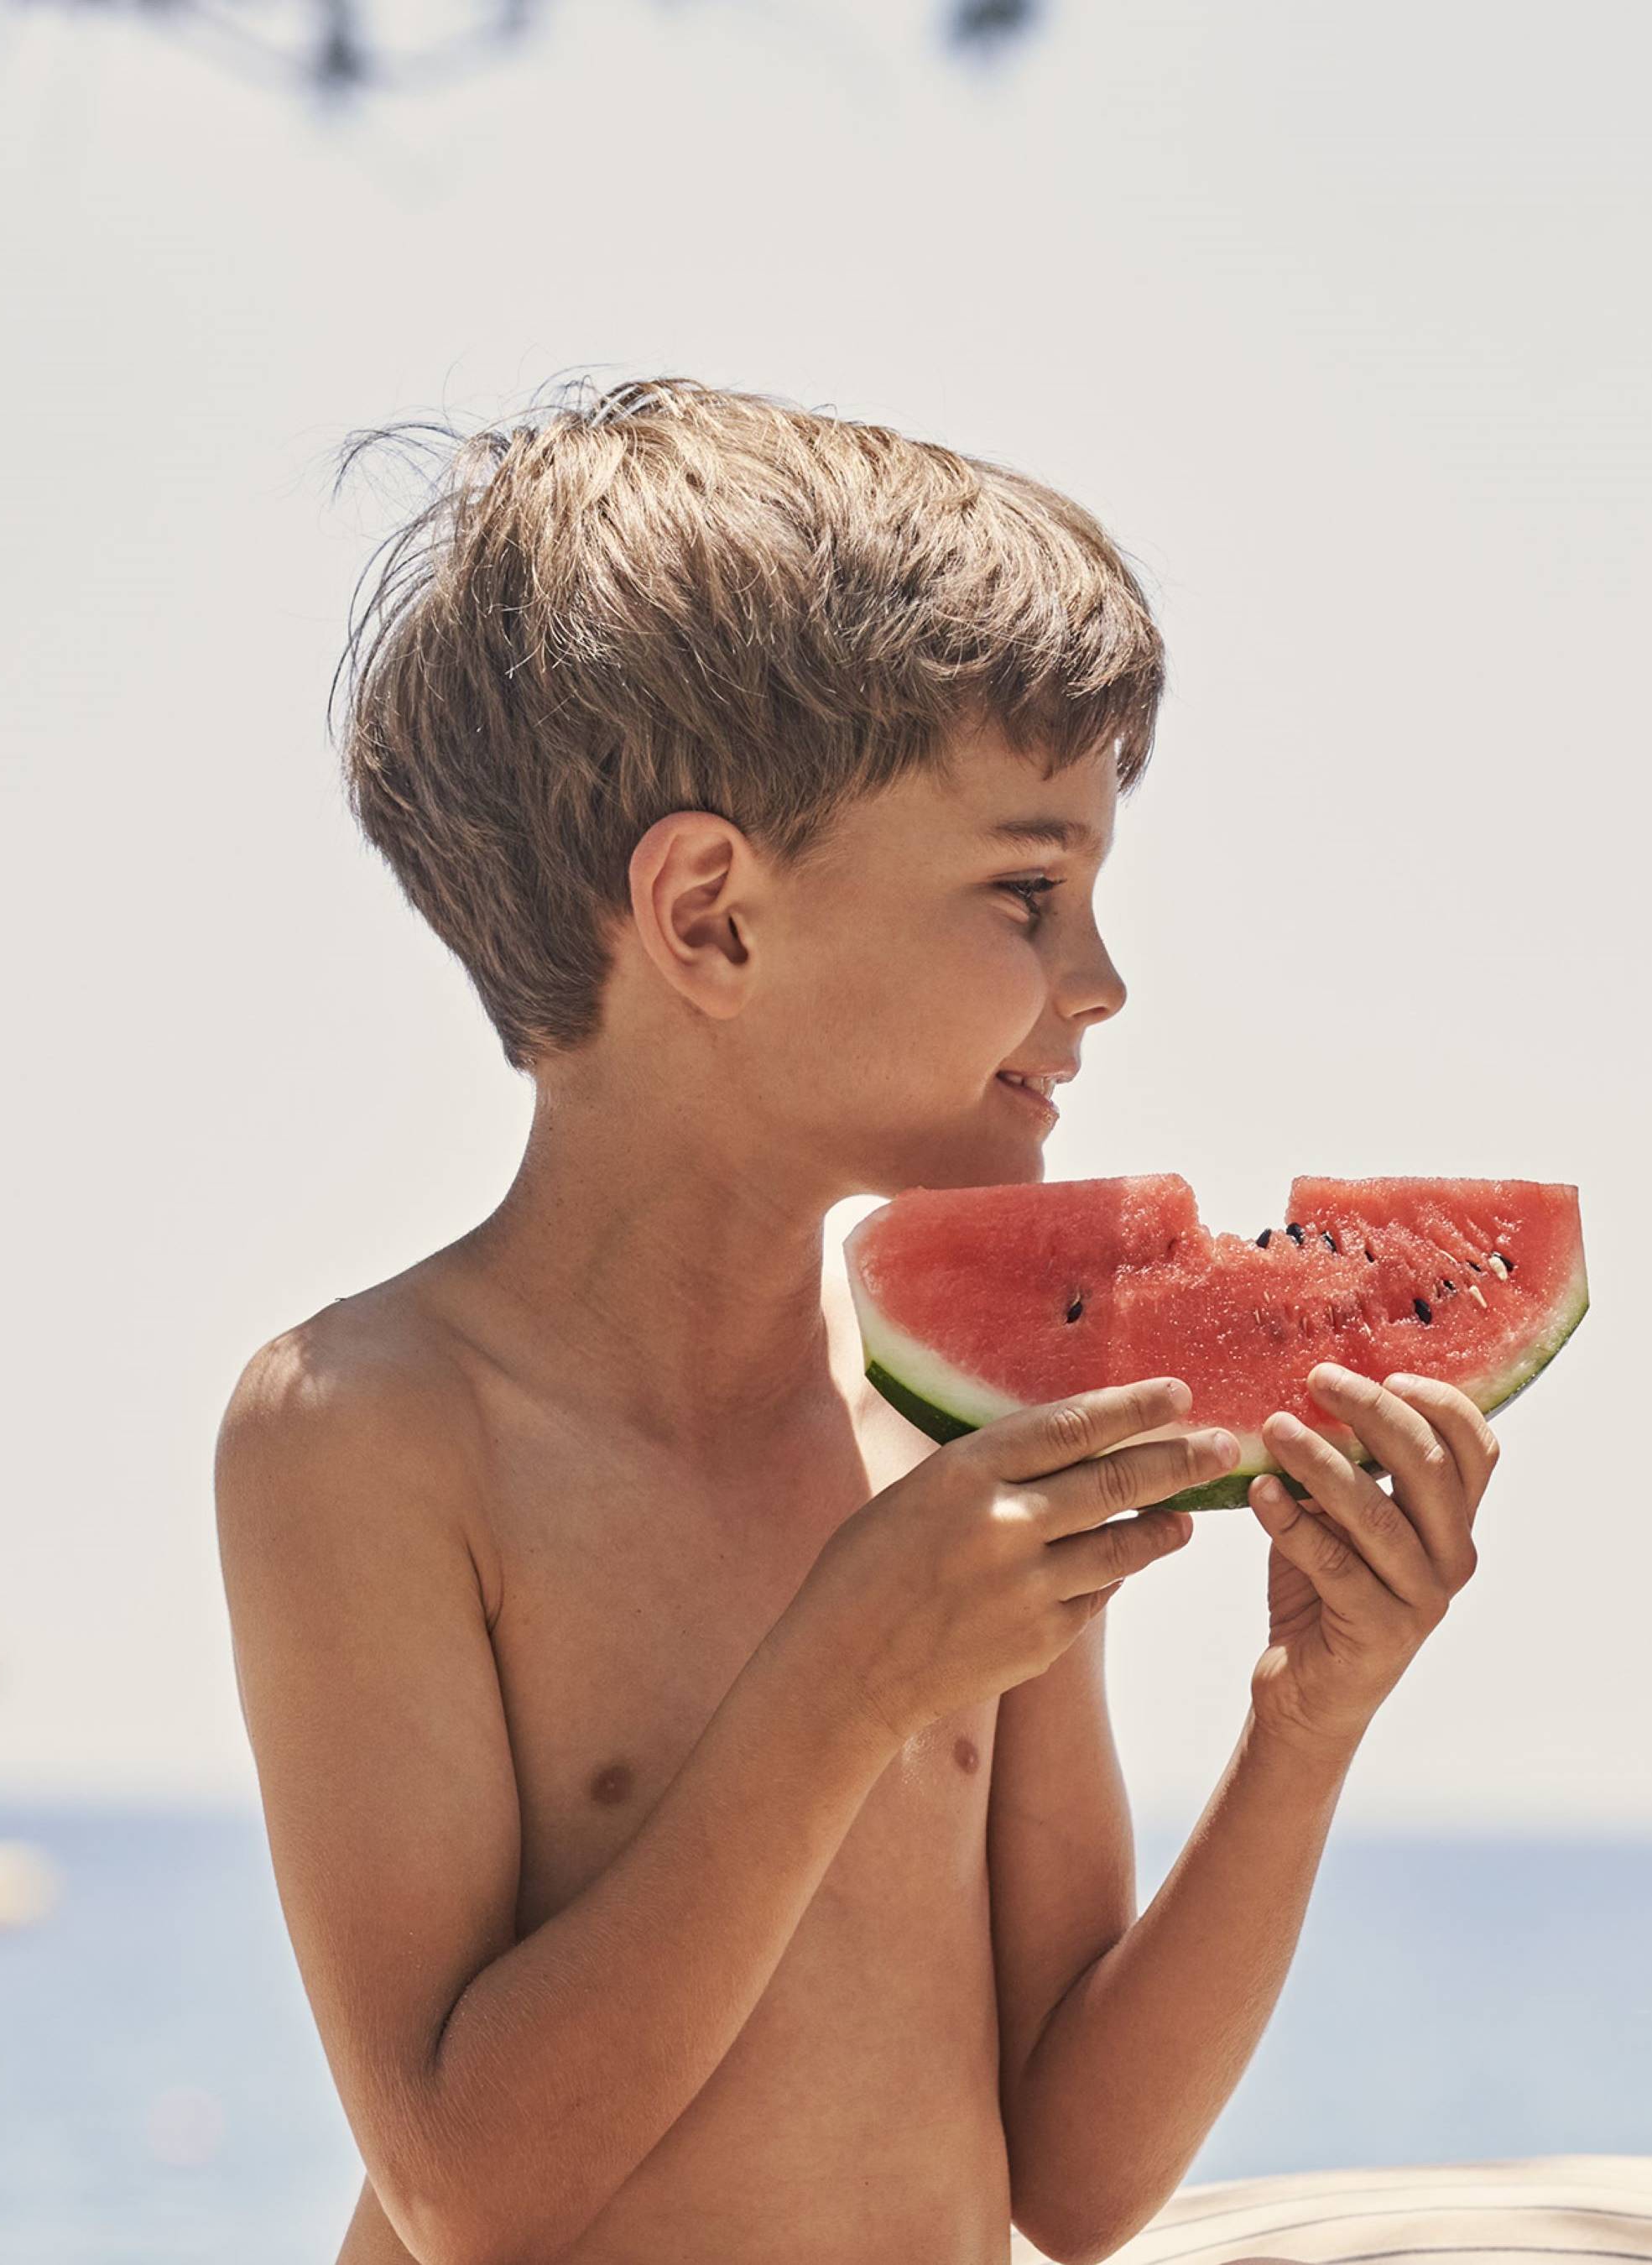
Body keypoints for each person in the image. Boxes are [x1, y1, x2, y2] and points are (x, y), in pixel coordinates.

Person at [216, 379, 1497, 2265]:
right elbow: (468, 2192)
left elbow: (1073, 2176)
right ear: (712, 918)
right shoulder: (373, 1433)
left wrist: (1307, 1720)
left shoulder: (970, 1422)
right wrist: (845, 1683)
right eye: (1025, 890)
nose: (1103, 978)